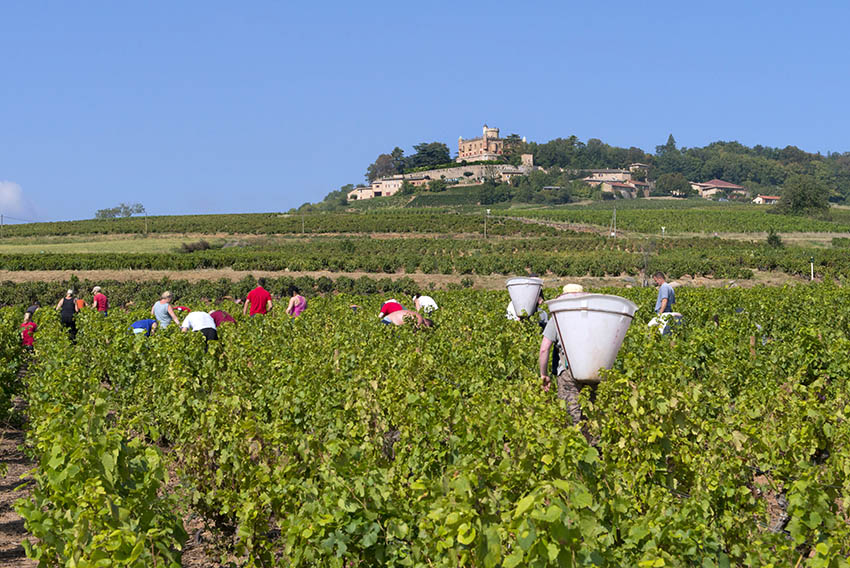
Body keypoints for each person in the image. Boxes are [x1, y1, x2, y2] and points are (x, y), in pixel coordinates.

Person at [538, 284, 591, 425]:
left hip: (568, 372)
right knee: (592, 415)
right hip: (593, 369)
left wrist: (543, 375)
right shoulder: (594, 316)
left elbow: (544, 349)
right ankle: (593, 444)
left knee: (571, 416)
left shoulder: (557, 317)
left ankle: (575, 442)